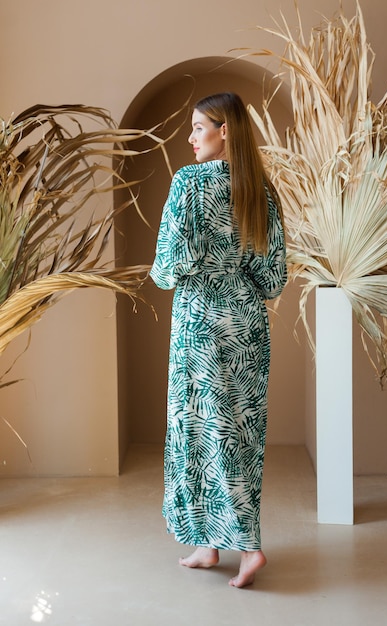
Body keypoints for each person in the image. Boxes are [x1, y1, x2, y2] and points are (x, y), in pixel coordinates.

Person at [150, 92, 287, 588]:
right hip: (247, 325)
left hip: (201, 324)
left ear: (224, 129)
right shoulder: (261, 191)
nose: (190, 138)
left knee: (201, 432)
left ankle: (248, 549)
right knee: (238, 434)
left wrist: (191, 271)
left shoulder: (188, 183)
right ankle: (210, 545)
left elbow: (168, 269)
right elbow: (272, 277)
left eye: (197, 127)